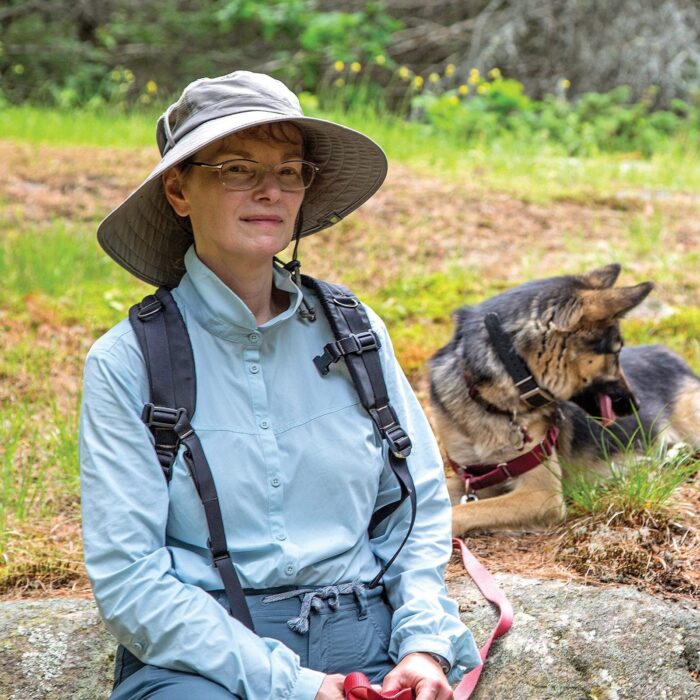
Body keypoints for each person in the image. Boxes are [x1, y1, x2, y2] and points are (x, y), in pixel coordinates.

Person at [80, 71, 481, 700]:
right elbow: (131, 582)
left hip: (370, 642)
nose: (271, 190)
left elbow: (417, 507)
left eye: (289, 171)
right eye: (239, 168)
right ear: (179, 190)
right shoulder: (127, 363)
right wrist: (297, 686)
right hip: (206, 660)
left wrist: (424, 646)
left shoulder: (355, 333)